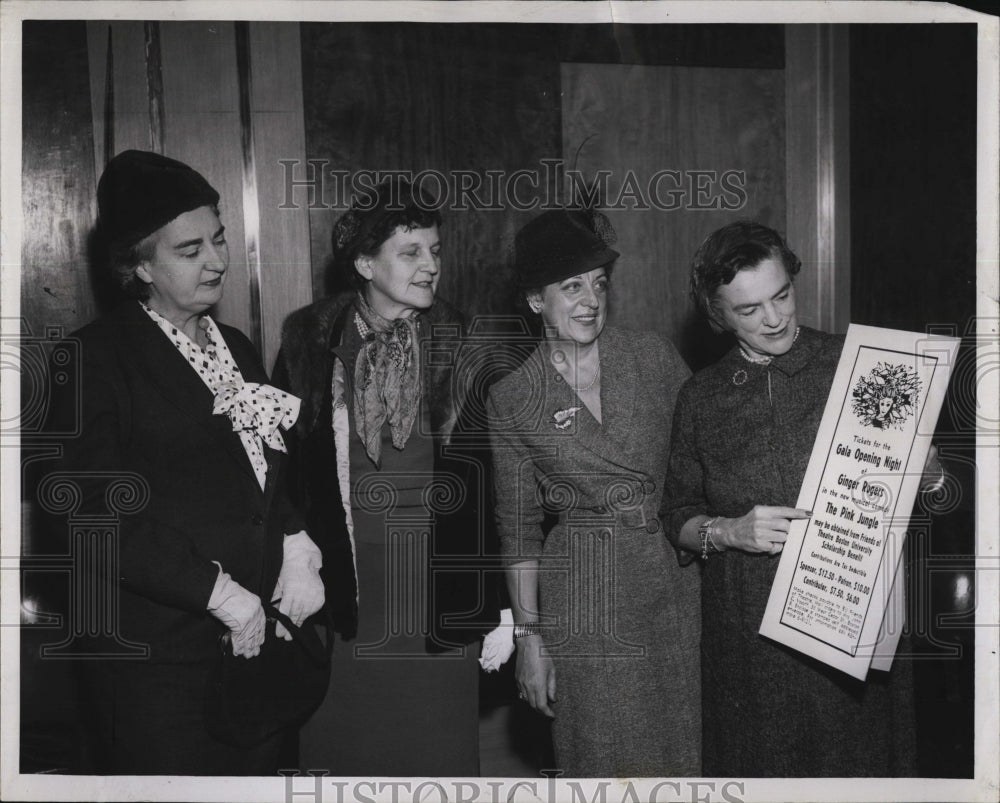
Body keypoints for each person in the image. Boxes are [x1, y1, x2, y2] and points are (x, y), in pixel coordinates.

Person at [46, 150, 324, 775]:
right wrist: (219, 593)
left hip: (255, 654)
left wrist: (297, 544)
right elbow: (93, 515)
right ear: (139, 266)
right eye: (190, 250)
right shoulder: (94, 359)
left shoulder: (239, 349)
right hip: (156, 670)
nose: (218, 261)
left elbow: (265, 477)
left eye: (220, 241)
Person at [662, 219, 939, 777]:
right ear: (718, 316)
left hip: (854, 625)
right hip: (750, 639)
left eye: (781, 295)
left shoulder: (864, 366)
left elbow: (936, 501)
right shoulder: (701, 398)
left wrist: (928, 475)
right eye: (748, 309)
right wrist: (730, 531)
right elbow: (677, 516)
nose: (773, 318)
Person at [274, 177, 494, 776]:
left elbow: (492, 481)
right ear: (365, 263)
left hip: (431, 589)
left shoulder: (463, 340)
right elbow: (281, 468)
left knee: (437, 761)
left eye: (436, 251)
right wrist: (290, 559)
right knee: (343, 761)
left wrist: (497, 607)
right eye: (411, 252)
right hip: (343, 592)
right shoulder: (307, 339)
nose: (431, 266)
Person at [486, 209, 701, 777]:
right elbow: (519, 530)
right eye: (572, 286)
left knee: (687, 755)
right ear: (536, 300)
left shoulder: (652, 357)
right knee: (605, 762)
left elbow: (704, 455)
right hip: (586, 603)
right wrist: (530, 640)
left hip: (674, 588)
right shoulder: (514, 398)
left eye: (599, 284)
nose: (591, 300)